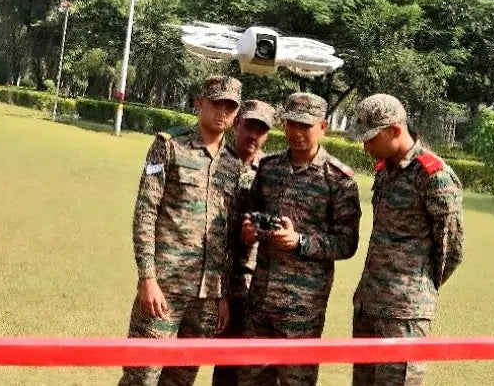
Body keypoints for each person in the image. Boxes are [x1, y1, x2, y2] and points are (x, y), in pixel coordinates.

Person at [119, 74, 244, 386]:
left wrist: (223, 295)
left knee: (181, 379)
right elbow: (145, 212)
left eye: (230, 107)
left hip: (207, 297)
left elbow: (227, 235)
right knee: (142, 376)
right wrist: (147, 278)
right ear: (200, 103)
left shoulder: (232, 163)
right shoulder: (169, 146)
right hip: (165, 287)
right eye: (217, 104)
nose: (223, 112)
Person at [238, 92, 362, 386]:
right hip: (260, 300)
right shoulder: (269, 168)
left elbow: (347, 243)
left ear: (323, 127)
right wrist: (249, 231)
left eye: (305, 126)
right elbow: (251, 214)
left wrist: (300, 241)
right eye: (291, 124)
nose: (296, 133)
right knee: (251, 380)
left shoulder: (339, 180)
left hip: (302, 307)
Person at [345, 94, 465, 386]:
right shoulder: (385, 171)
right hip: (369, 304)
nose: (365, 146)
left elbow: (452, 249)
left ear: (395, 130)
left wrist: (415, 290)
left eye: (371, 138)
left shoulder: (434, 177)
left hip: (404, 315)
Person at [212, 99, 275, 386]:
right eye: (249, 125)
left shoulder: (271, 173)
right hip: (206, 278)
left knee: (236, 369)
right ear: (237, 123)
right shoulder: (213, 161)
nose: (253, 135)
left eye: (261, 130)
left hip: (246, 284)